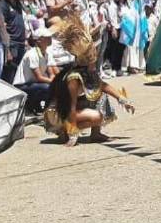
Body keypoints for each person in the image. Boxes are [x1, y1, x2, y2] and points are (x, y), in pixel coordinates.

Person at [45, 13, 135, 146]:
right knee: (97, 116)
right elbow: (70, 106)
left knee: (101, 96)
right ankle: (65, 130)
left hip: (71, 110)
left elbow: (103, 86)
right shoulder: (73, 79)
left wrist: (123, 99)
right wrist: (73, 133)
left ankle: (95, 134)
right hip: (58, 114)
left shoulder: (88, 72)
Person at [13, 26, 58, 113]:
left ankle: (42, 109)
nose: (50, 39)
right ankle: (35, 107)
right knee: (48, 87)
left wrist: (54, 78)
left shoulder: (47, 53)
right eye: (47, 37)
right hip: (22, 85)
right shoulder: (32, 54)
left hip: (35, 84)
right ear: (39, 41)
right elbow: (39, 77)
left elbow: (51, 72)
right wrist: (53, 81)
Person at [0, 0, 30, 84]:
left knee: (17, 71)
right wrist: (7, 48)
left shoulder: (17, 3)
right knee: (10, 72)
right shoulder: (2, 4)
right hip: (12, 43)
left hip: (20, 42)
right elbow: (2, 26)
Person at [120, 0, 149, 74]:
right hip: (130, 24)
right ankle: (131, 66)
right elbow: (126, 12)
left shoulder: (140, 0)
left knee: (139, 45)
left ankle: (140, 64)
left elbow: (142, 12)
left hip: (138, 25)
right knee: (130, 46)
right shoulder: (127, 0)